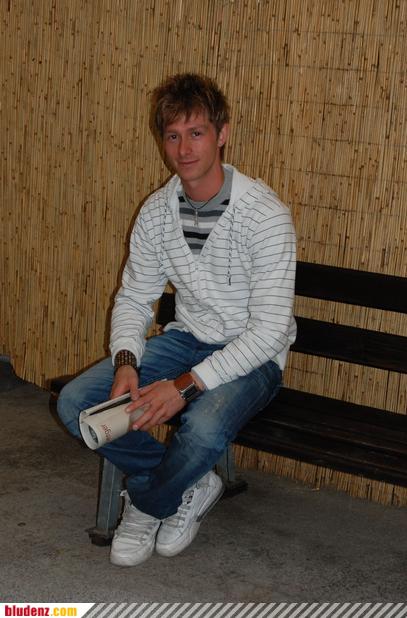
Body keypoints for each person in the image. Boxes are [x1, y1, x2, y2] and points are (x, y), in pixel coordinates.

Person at [57, 72, 297, 567]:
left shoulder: (264, 215)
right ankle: (186, 483)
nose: (184, 149)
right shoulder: (157, 212)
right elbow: (134, 296)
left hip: (254, 357)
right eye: (172, 135)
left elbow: (270, 329)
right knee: (77, 403)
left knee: (201, 429)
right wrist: (127, 360)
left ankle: (149, 503)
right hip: (186, 339)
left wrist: (184, 387)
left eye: (196, 132)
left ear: (222, 133)